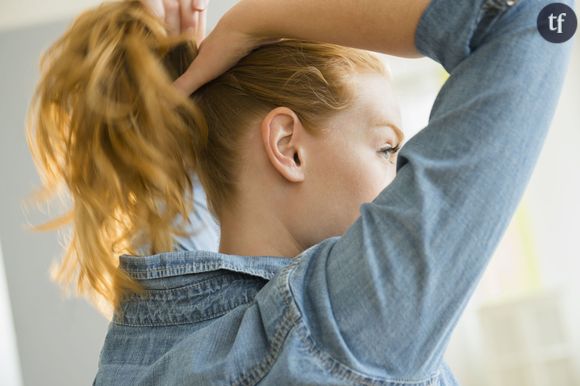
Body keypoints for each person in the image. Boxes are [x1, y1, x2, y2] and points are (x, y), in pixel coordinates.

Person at [24, 0, 574, 384]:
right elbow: (541, 16)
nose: (400, 179)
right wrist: (252, 19)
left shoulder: (153, 341)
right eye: (387, 149)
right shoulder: (345, 327)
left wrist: (185, 82)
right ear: (288, 147)